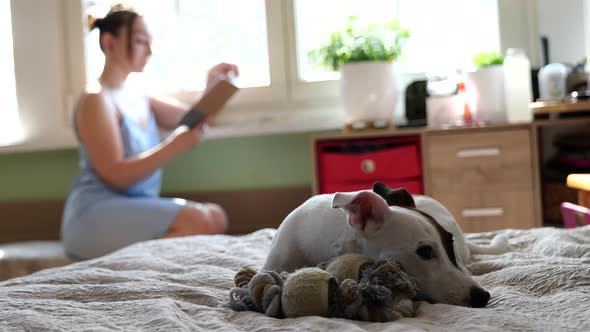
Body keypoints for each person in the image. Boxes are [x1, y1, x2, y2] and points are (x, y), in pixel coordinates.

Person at [61, 5, 237, 260]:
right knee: (200, 220)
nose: (150, 51)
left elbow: (193, 119)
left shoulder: (138, 95)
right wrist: (174, 145)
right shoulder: (96, 99)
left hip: (130, 211)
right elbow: (115, 175)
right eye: (141, 42)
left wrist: (212, 87)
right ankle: (141, 267)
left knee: (216, 216)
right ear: (110, 42)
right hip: (93, 216)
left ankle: (147, 265)